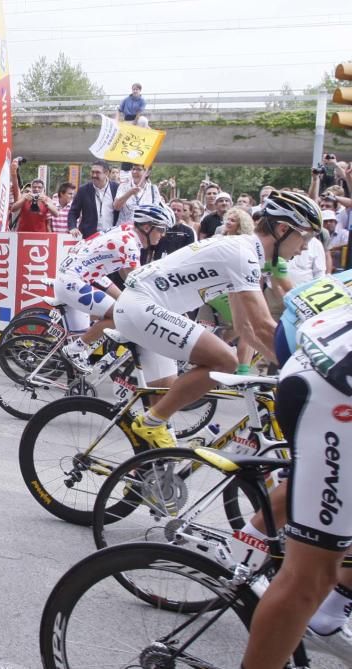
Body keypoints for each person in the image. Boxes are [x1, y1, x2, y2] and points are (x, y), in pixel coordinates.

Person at [114, 190, 322, 449]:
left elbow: (246, 329)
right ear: (282, 229)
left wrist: (284, 364)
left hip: (143, 307)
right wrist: (307, 369)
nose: (305, 247)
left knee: (164, 412)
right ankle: (150, 422)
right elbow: (264, 325)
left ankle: (144, 477)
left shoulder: (246, 253)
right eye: (306, 236)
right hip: (141, 307)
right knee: (224, 360)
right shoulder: (243, 253)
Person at [242, 300, 352, 667]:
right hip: (332, 392)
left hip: (320, 357)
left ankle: (332, 610)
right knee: (309, 576)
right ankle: (318, 610)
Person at [58, 204, 172, 372]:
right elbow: (137, 281)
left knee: (122, 305)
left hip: (83, 276)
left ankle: (88, 351)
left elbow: (126, 274)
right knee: (118, 315)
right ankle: (74, 349)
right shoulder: (129, 243)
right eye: (161, 229)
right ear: (147, 227)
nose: (163, 235)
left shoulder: (126, 231)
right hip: (73, 282)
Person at [67, 160, 120, 238]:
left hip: (112, 236)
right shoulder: (83, 190)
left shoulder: (116, 188)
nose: (94, 175)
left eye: (97, 172)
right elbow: (73, 212)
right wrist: (73, 227)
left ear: (106, 173)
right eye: (92, 172)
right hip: (89, 236)